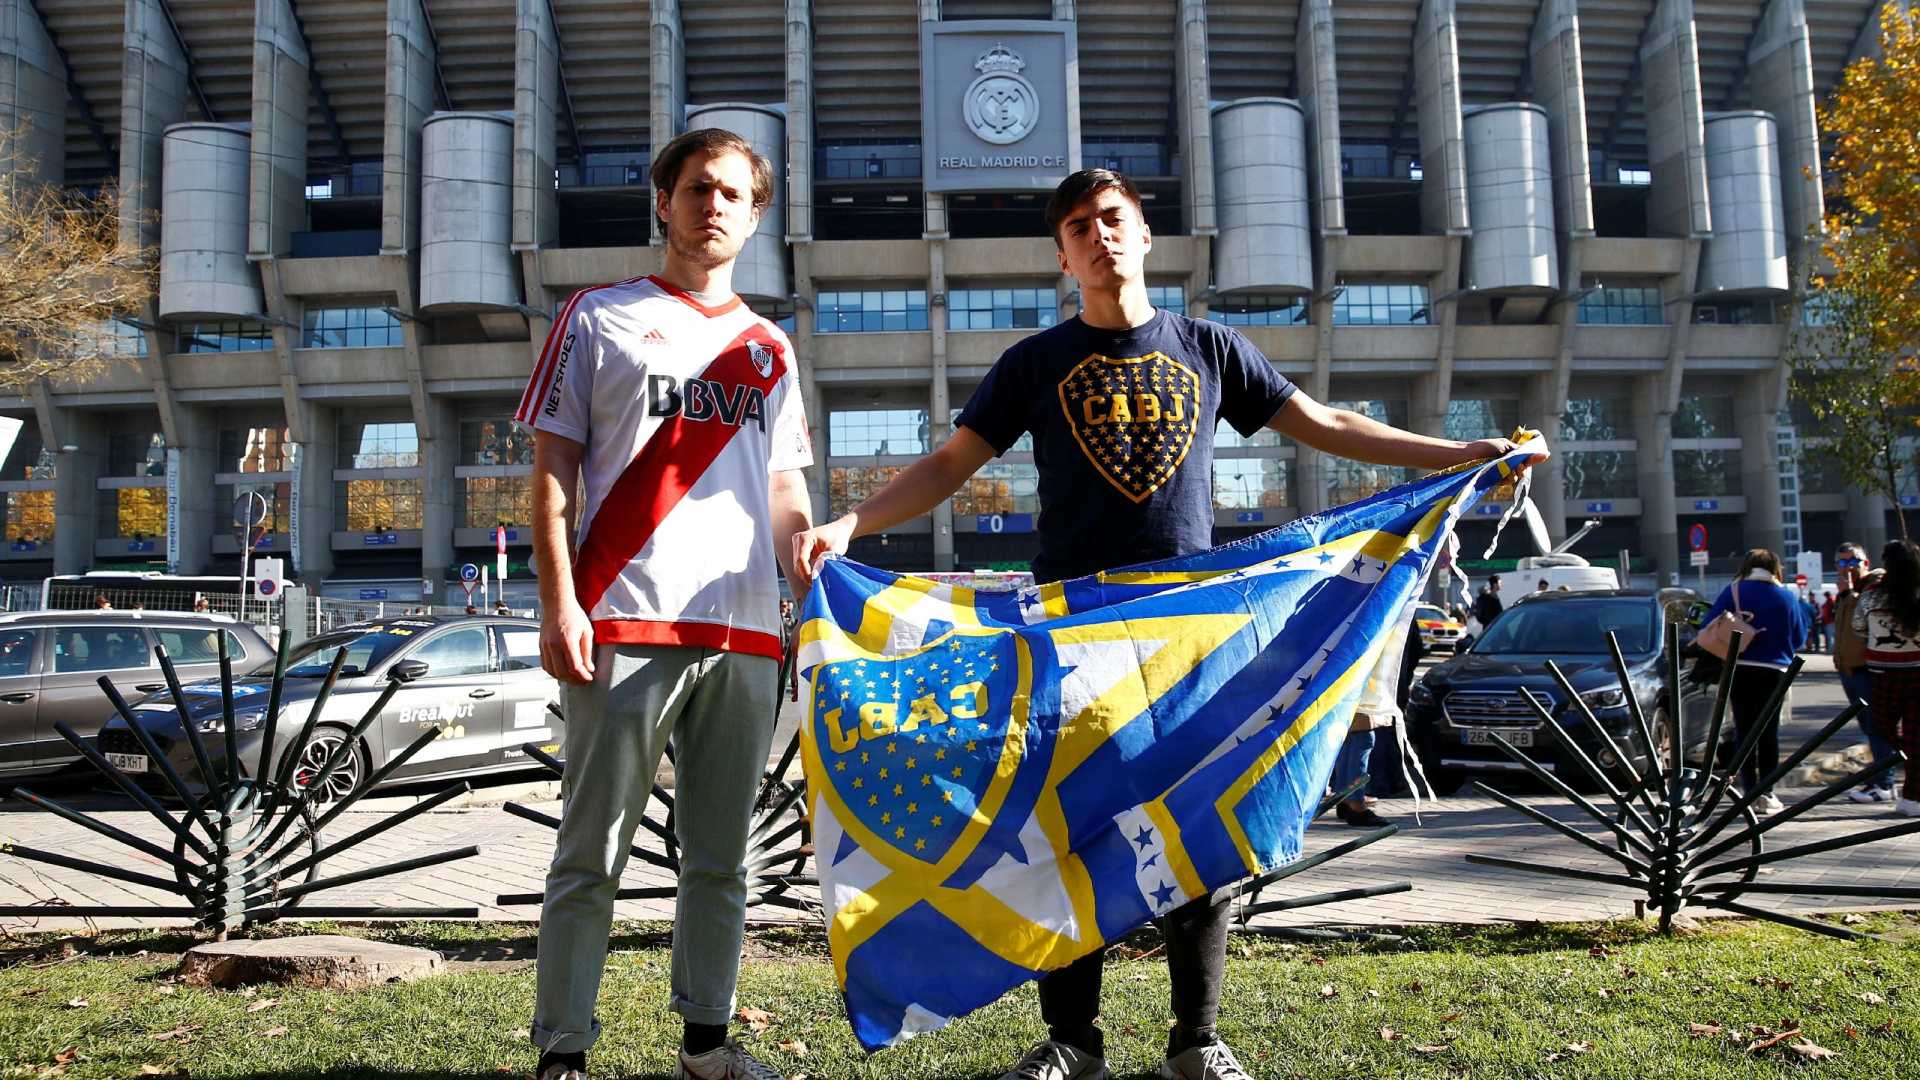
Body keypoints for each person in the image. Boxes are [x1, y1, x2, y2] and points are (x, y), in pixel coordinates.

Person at [788, 167, 1531, 1080]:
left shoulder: (1212, 348)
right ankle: (1073, 1044)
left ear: (1144, 237)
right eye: (1077, 228)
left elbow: (1325, 422)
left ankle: (1196, 1041)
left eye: (1112, 220)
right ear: (1063, 257)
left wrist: (1460, 453)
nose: (1098, 237)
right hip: (1070, 634)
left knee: (1197, 824)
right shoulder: (1033, 363)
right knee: (1068, 824)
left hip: (1194, 631)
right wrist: (847, 525)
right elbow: (948, 464)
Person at [519, 127, 815, 1080]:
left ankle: (707, 1045)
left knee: (720, 859)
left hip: (743, 634)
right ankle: (564, 1048)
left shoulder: (770, 349)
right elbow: (554, 472)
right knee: (589, 852)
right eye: (697, 188)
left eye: (734, 193)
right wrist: (559, 602)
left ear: (757, 215)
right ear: (664, 201)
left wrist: (811, 566)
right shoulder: (595, 317)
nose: (714, 205)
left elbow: (782, 490)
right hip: (623, 618)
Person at [1699, 549, 1808, 816]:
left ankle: (1747, 790)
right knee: (1768, 732)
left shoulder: (1734, 591)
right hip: (1775, 670)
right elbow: (1799, 636)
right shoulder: (1786, 596)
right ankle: (1768, 792)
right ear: (1775, 567)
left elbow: (1707, 623)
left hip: (1740, 668)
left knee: (1743, 731)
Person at [1843, 539, 1920, 817]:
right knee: (1915, 736)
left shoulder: (1874, 595)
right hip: (1917, 672)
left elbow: (1858, 627)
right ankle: (1913, 795)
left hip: (1884, 673)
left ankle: (1901, 778)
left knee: (1882, 729)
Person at [1834, 543, 1896, 803]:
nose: (1848, 568)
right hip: (1850, 669)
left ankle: (1884, 782)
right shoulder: (1850, 591)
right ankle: (1878, 777)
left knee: (1877, 728)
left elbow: (1860, 622)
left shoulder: (1874, 586)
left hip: (1867, 669)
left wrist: (1848, 595)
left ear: (1866, 562)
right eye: (1842, 563)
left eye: (1853, 562)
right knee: (1869, 729)